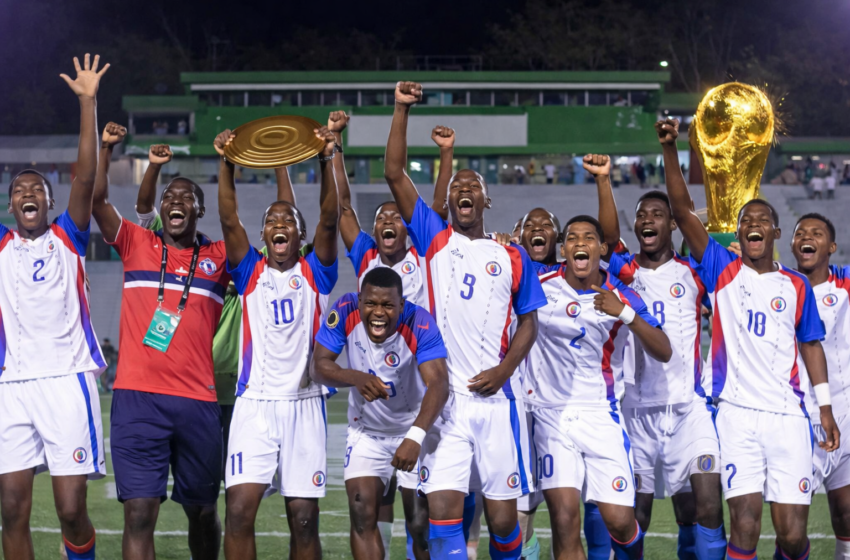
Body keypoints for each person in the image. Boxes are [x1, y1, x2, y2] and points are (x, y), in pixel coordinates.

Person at [658, 117, 839, 560]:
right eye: (746, 220)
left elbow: (811, 346)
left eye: (763, 220)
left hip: (789, 418)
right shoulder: (723, 270)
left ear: (776, 233)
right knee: (744, 524)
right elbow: (682, 213)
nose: (754, 223)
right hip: (736, 416)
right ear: (738, 233)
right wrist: (670, 148)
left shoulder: (795, 285)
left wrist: (826, 409)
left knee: (794, 535)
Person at [385, 81, 547, 560]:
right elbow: (395, 172)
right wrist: (401, 109)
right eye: (458, 187)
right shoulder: (434, 239)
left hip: (498, 404)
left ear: (486, 201)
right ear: (450, 202)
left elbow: (529, 325)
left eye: (474, 186)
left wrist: (503, 371)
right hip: (447, 402)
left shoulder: (512, 254)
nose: (464, 191)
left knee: (502, 522)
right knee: (443, 517)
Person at [92, 127, 231, 560]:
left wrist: (229, 162)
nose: (176, 202)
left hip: (197, 401)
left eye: (186, 197)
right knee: (138, 513)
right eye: (170, 196)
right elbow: (96, 202)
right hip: (137, 399)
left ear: (199, 210)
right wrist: (106, 149)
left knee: (204, 512)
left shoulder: (221, 258)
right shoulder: (137, 243)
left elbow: (239, 226)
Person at [0, 53, 109, 560]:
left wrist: (87, 103)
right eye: (18, 190)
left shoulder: (68, 236)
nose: (28, 194)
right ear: (10, 206)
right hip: (12, 385)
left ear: (49, 201)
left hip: (67, 379)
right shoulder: (2, 246)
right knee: (12, 507)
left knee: (70, 508)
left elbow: (85, 176)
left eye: (36, 190)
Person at [215, 125, 339, 560]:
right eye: (271, 220)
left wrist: (326, 157)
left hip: (304, 402)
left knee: (304, 520)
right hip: (255, 404)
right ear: (264, 235)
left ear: (301, 237)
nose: (279, 224)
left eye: (288, 220)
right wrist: (228, 161)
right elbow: (229, 217)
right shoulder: (249, 272)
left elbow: (329, 216)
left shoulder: (316, 272)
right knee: (239, 511)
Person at [595, 151, 727, 559]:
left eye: (657, 214)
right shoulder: (623, 271)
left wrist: (671, 150)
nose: (648, 220)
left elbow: (688, 210)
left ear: (672, 224)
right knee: (637, 513)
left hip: (689, 409)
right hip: (635, 410)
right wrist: (603, 180)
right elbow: (607, 234)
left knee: (704, 506)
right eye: (641, 215)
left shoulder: (694, 272)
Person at [525, 213, 671, 560]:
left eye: (588, 237)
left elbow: (664, 350)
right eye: (571, 238)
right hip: (551, 416)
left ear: (601, 248)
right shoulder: (540, 284)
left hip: (601, 414)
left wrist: (625, 314)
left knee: (620, 522)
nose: (579, 243)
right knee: (563, 519)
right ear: (563, 250)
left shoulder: (621, 296)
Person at [310, 268, 450, 560]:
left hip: (414, 430)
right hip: (367, 433)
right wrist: (356, 378)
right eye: (371, 303)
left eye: (388, 305)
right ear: (359, 300)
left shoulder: (419, 321)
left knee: (420, 523)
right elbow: (319, 366)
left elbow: (438, 384)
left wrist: (415, 437)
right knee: (361, 512)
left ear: (401, 305)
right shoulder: (345, 310)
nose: (378, 313)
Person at [334, 110, 451, 309]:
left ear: (408, 228)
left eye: (396, 217)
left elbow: (440, 207)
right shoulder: (365, 255)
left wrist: (446, 152)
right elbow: (343, 206)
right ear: (373, 231)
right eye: (381, 218)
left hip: (416, 340)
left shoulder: (423, 255)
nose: (387, 221)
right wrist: (336, 138)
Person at [787, 213, 850, 559]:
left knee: (846, 513)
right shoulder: (779, 284)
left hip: (844, 412)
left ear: (832, 247)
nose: (807, 236)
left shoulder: (844, 283)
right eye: (801, 232)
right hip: (799, 418)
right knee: (792, 526)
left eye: (817, 233)